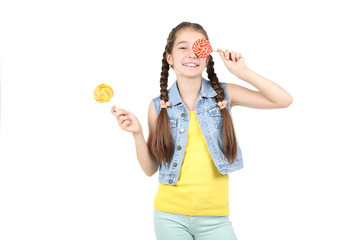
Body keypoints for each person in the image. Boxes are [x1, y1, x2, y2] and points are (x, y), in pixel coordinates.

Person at [111, 22, 293, 240]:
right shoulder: (158, 107)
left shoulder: (224, 95)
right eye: (183, 47)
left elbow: (284, 100)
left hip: (216, 219)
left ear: (206, 56)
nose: (192, 54)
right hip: (169, 217)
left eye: (198, 47)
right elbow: (150, 169)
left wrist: (242, 71)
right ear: (169, 58)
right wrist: (137, 133)